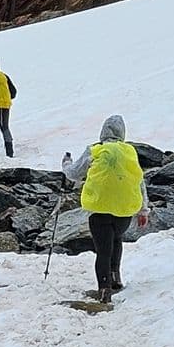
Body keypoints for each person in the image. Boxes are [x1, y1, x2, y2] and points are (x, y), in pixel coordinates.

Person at [63, 115, 150, 304]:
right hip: (125, 212)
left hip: (100, 210)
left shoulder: (96, 150)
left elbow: (74, 174)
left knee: (103, 251)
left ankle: (104, 289)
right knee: (116, 239)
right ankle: (115, 278)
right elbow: (139, 181)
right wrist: (144, 210)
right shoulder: (130, 152)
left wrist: (66, 164)